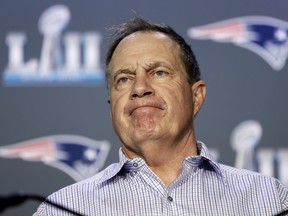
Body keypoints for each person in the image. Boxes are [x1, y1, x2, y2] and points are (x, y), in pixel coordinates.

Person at [34, 17, 288, 216]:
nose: (139, 88)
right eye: (124, 79)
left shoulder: (269, 200)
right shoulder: (61, 210)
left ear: (196, 96)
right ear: (112, 105)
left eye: (159, 73)